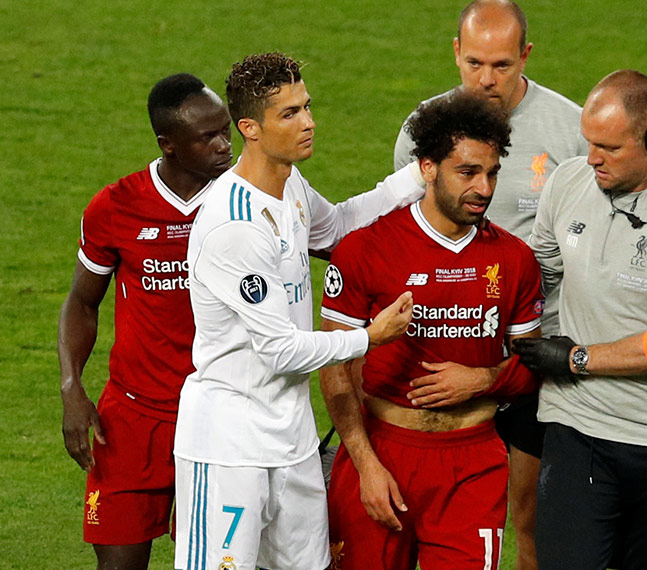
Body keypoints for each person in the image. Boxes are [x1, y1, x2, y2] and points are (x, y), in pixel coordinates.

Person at [172, 52, 426, 570]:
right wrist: (369, 338)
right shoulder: (234, 226)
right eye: (289, 113)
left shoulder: (288, 185)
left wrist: (415, 178)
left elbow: (336, 228)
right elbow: (281, 350)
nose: (309, 122)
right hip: (229, 446)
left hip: (291, 438)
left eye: (307, 106)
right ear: (250, 128)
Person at [514, 69, 647, 570]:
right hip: (579, 423)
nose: (592, 158)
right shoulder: (569, 182)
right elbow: (536, 276)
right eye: (589, 142)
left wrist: (574, 358)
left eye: (608, 148)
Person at [393, 4, 586, 568]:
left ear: (525, 56)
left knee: (529, 517)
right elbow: (403, 234)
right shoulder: (421, 130)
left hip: (531, 356)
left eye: (501, 65)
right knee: (423, 512)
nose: (485, 79)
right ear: (455, 50)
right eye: (474, 62)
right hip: (439, 353)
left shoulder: (571, 133)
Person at [321, 91, 544, 570]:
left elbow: (533, 365)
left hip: (473, 463)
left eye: (492, 173)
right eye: (467, 173)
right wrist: (365, 464)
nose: (484, 188)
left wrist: (484, 380)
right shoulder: (365, 250)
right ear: (427, 168)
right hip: (382, 456)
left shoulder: (514, 259)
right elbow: (335, 369)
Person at [58, 73, 232, 570]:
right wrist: (72, 387)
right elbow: (81, 302)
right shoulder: (116, 207)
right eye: (208, 137)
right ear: (169, 145)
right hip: (133, 420)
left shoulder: (250, 199)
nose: (225, 146)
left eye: (227, 131)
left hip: (220, 416)